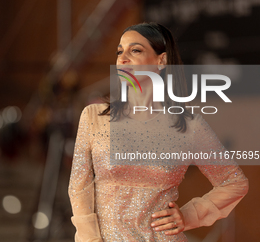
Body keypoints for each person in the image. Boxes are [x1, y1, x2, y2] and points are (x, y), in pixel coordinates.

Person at [68, 22, 248, 241]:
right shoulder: (94, 117)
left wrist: (190, 215)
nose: (123, 59)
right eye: (119, 52)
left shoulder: (190, 126)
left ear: (161, 60)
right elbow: (78, 187)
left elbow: (234, 181)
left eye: (134, 50)